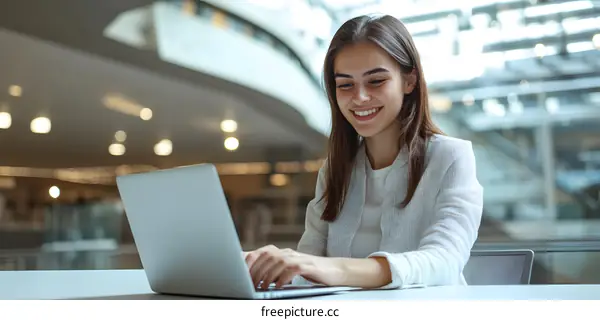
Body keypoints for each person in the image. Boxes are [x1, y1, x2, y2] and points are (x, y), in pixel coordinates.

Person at [244, 14, 483, 290]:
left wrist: (333, 268)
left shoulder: (451, 157)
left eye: (376, 81)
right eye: (345, 85)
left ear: (410, 81)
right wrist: (255, 265)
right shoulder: (335, 170)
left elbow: (444, 260)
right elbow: (307, 269)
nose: (359, 97)